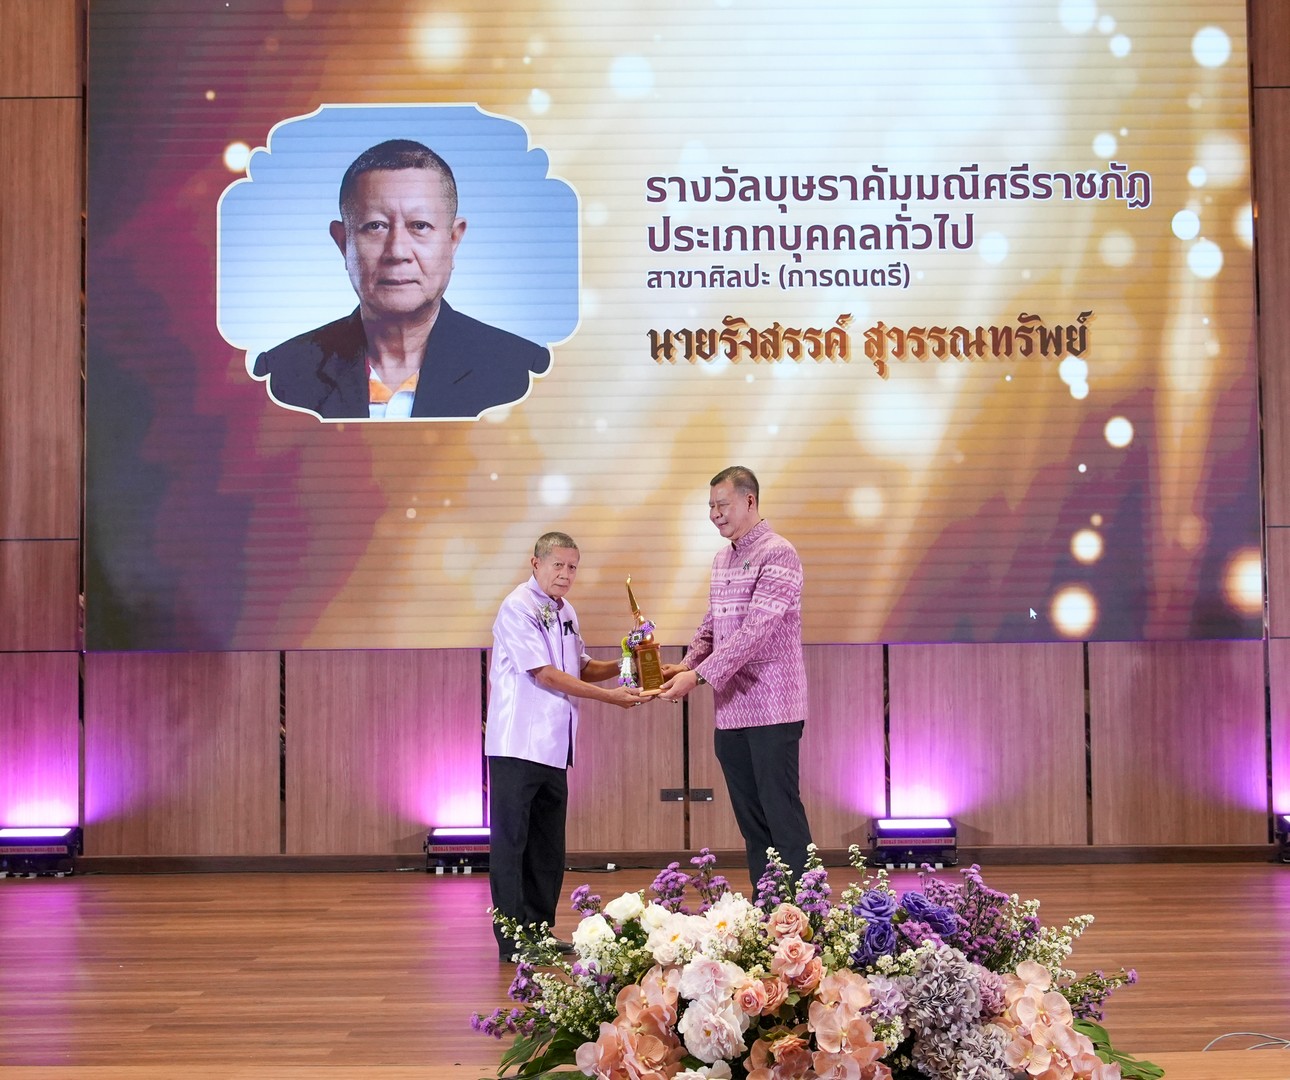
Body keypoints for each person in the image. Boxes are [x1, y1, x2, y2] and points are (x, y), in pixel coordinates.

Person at [253, 139, 551, 420]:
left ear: (453, 239)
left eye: (419, 226)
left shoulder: (524, 374)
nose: (397, 252)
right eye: (376, 226)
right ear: (343, 243)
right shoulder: (279, 376)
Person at [485, 531, 646, 960]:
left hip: (555, 747)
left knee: (547, 848)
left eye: (572, 566)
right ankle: (513, 941)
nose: (565, 574)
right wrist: (611, 698)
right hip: (517, 744)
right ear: (535, 563)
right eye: (558, 564)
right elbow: (545, 673)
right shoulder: (517, 606)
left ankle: (538, 932)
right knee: (512, 845)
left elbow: (580, 667)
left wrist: (629, 659)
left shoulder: (566, 611)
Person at [658, 466, 813, 888]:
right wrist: (687, 663)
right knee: (752, 823)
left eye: (722, 504)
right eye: (710, 506)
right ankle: (769, 910)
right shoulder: (722, 558)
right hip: (730, 711)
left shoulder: (778, 552)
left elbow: (756, 631)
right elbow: (714, 622)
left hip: (774, 707)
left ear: (749, 500)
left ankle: (807, 911)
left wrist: (698, 676)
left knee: (782, 814)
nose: (715, 514)